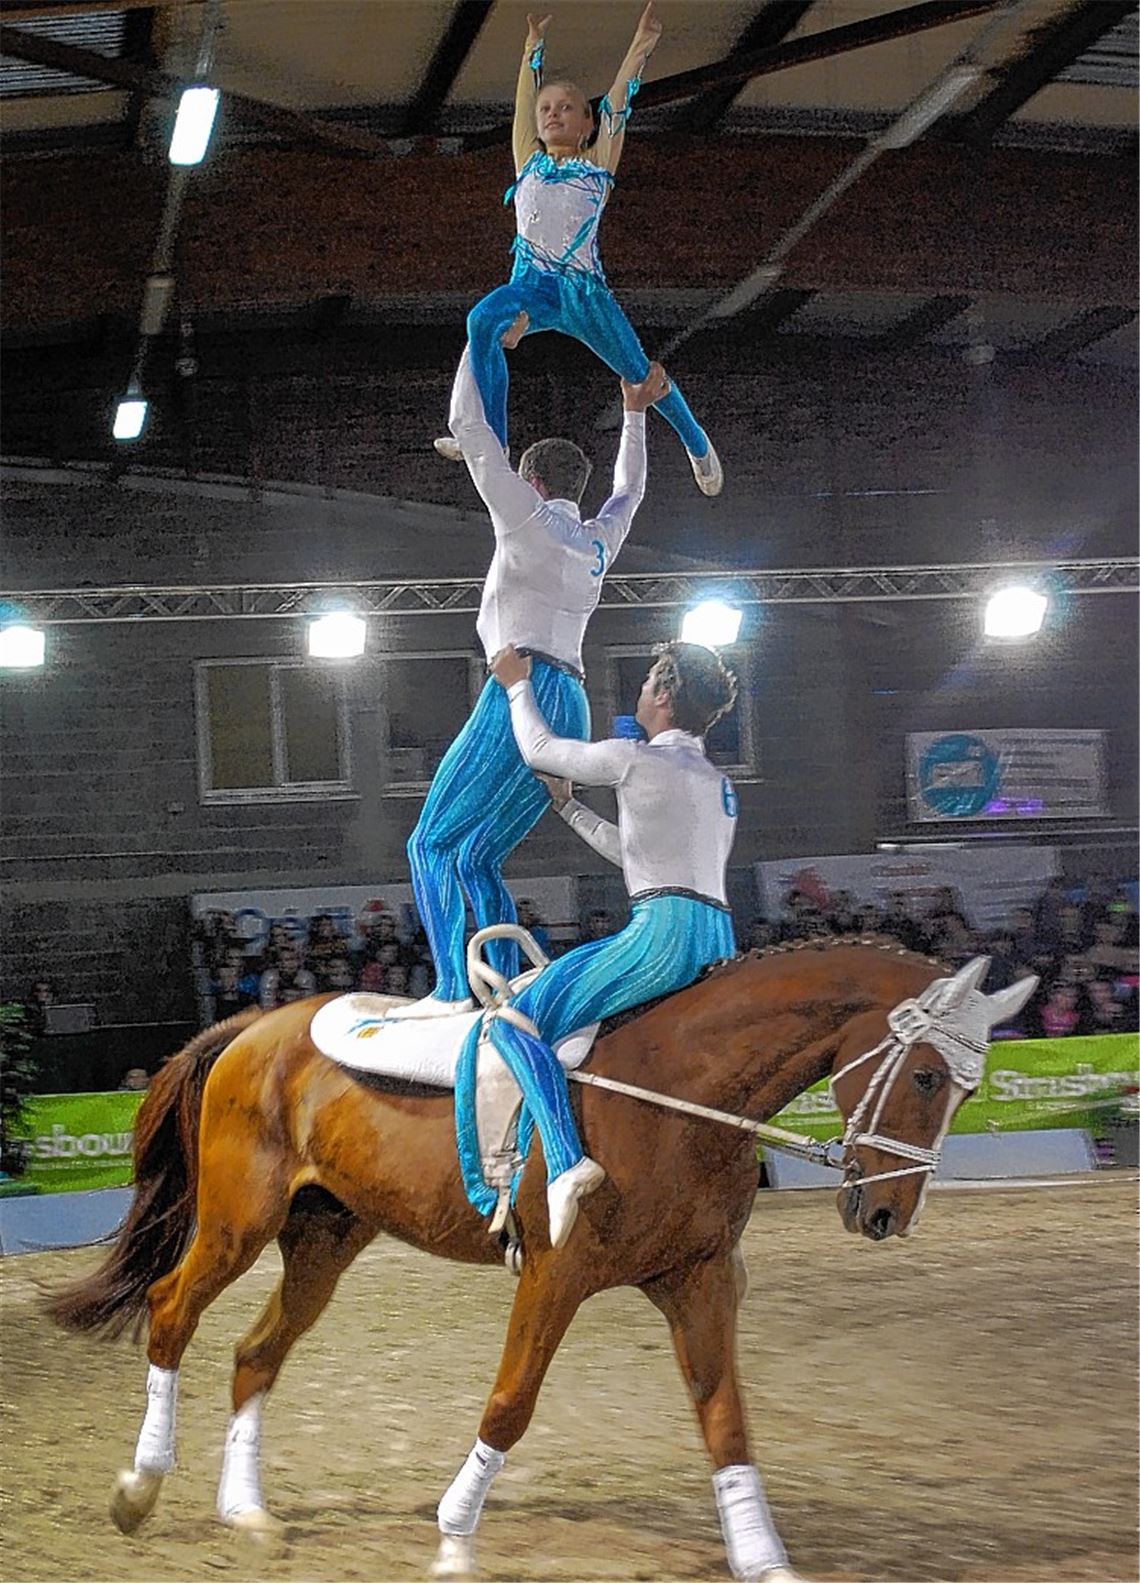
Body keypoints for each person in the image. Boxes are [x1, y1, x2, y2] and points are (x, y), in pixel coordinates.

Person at [398, 348, 663, 1018]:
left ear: (533, 483)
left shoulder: (524, 515)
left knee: (430, 843)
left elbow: (470, 422)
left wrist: (480, 335)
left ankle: (452, 991)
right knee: (477, 857)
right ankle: (505, 989)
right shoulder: (598, 539)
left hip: (523, 686)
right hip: (572, 700)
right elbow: (630, 491)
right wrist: (634, 413)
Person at [483, 638, 739, 1248]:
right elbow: (636, 856)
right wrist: (568, 810)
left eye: (648, 682)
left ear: (665, 697)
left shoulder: (634, 758)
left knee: (511, 1025)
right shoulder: (716, 782)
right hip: (718, 935)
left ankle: (565, 1161)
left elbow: (539, 749)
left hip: (662, 935)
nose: (641, 692)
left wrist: (516, 685)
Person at [433, 4, 722, 498]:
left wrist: (641, 44)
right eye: (547, 108)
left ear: (588, 122)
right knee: (481, 321)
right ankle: (495, 441)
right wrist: (531, 49)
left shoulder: (597, 165)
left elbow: (619, 101)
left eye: (566, 107)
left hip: (584, 294)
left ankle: (697, 443)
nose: (552, 113)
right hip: (530, 286)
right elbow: (523, 105)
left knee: (640, 375)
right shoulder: (527, 161)